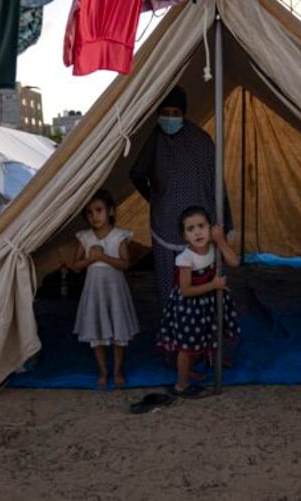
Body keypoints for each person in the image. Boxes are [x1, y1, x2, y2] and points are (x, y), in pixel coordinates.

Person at [130, 85, 234, 308]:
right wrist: (154, 198)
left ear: (184, 114)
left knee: (200, 283)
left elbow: (216, 183)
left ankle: (200, 330)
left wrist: (222, 220)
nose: (169, 118)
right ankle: (173, 331)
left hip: (198, 229)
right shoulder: (155, 141)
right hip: (165, 225)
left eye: (175, 113)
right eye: (165, 113)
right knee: (169, 286)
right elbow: (137, 173)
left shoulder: (201, 141)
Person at [156, 206, 240, 398]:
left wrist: (221, 241)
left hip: (207, 304)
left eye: (201, 226)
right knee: (187, 347)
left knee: (204, 336)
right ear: (185, 236)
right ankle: (181, 384)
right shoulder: (185, 258)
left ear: (210, 229)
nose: (197, 232)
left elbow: (234, 262)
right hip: (189, 308)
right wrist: (214, 285)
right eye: (190, 229)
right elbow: (186, 291)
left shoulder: (214, 248)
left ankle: (192, 369)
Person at [71, 189, 140, 389]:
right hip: (94, 292)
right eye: (89, 212)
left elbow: (125, 264)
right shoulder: (84, 237)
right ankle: (103, 370)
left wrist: (102, 257)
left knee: (119, 330)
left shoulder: (119, 236)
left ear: (110, 211)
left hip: (115, 292)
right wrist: (90, 259)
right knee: (96, 330)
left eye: (99, 210)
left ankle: (117, 369)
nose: (95, 216)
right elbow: (76, 264)